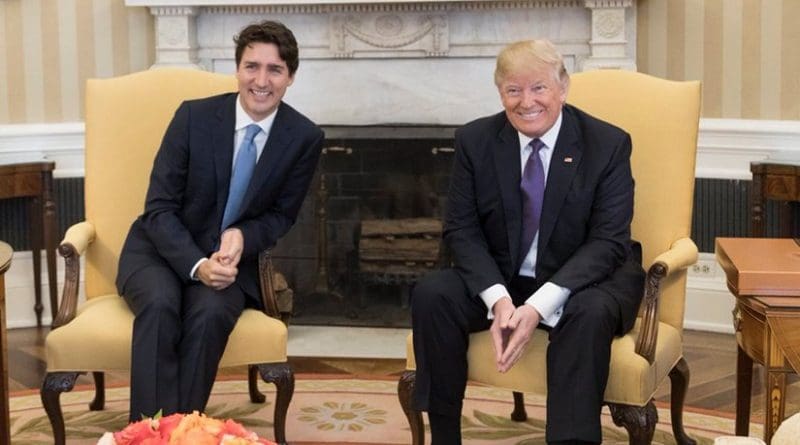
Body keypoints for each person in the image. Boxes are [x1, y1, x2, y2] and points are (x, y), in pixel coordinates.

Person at [410, 39, 646, 444]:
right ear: (500, 92)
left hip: (585, 279)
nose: (526, 102)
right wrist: (500, 301)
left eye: (539, 87)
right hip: (505, 275)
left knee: (588, 315)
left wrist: (537, 307)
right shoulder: (476, 140)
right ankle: (443, 435)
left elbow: (609, 241)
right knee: (433, 293)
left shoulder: (606, 144)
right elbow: (461, 230)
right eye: (513, 90)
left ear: (563, 87)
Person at [116, 20, 323, 421]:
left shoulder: (304, 137)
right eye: (252, 66)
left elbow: (282, 215)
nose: (261, 81)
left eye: (275, 69)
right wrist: (197, 265)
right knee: (160, 306)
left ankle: (183, 427)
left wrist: (242, 236)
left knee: (210, 314)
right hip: (157, 251)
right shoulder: (193, 117)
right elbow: (158, 208)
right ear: (237, 69)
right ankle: (147, 432)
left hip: (230, 266)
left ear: (291, 77)